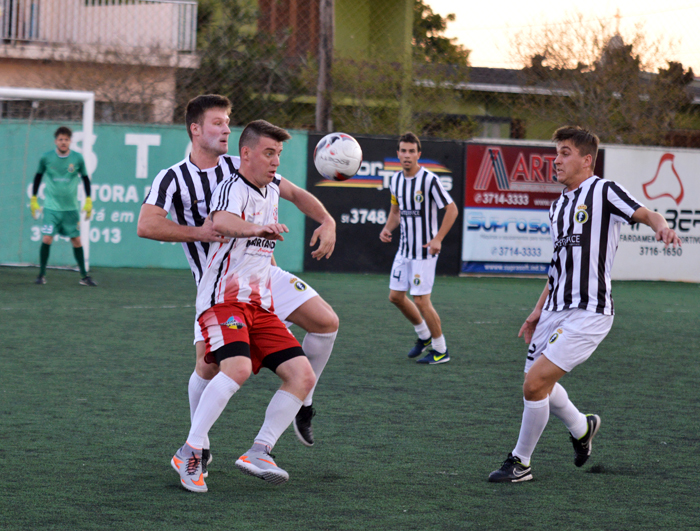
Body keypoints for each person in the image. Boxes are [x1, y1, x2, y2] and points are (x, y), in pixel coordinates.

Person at [137, 96, 337, 484]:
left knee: (326, 323)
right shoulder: (174, 177)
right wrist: (205, 233)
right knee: (209, 367)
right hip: (218, 284)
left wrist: (327, 219)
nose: (226, 130)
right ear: (196, 129)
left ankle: (300, 404)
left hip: (263, 277)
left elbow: (295, 194)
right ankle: (197, 445)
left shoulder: (246, 165)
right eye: (217, 123)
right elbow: (147, 225)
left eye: (229, 123)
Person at [488, 126, 681, 483]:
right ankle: (581, 427)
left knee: (534, 385)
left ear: (586, 160)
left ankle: (520, 463)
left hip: (590, 312)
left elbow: (645, 213)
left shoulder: (604, 191)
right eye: (556, 152)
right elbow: (558, 266)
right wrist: (536, 310)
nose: (556, 160)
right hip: (554, 309)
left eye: (564, 153)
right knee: (536, 383)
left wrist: (661, 226)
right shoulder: (558, 206)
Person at [379, 132, 458, 364]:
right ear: (398, 154)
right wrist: (387, 229)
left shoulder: (429, 180)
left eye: (411, 151)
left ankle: (441, 350)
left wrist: (438, 239)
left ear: (418, 154)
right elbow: (396, 212)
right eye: (403, 151)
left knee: (422, 300)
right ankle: (424, 336)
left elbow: (451, 209)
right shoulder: (395, 180)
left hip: (425, 251)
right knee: (395, 296)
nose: (407, 155)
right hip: (404, 250)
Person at [30, 126, 96, 286]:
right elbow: (38, 176)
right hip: (51, 208)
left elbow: (86, 179)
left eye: (66, 139)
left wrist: (88, 200)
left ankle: (84, 276)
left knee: (77, 240)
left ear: (70, 141)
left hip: (71, 209)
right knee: (47, 238)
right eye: (60, 139)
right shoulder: (46, 158)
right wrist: (34, 198)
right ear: (56, 141)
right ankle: (41, 275)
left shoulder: (77, 158)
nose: (63, 142)